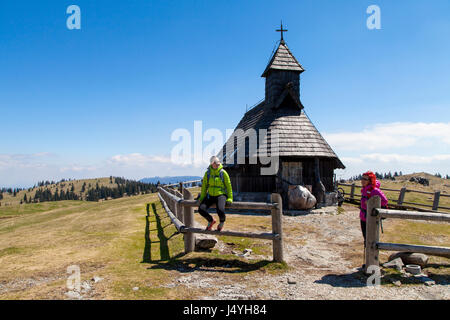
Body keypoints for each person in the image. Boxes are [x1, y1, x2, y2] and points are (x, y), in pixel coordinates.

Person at [197, 156, 233, 231]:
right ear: (211, 164)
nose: (218, 165)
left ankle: (222, 222)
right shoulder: (207, 173)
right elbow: (204, 187)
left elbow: (228, 186)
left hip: (221, 195)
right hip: (210, 196)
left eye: (218, 163)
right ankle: (211, 220)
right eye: (216, 163)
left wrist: (230, 198)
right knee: (201, 209)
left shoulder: (223, 173)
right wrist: (201, 198)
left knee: (220, 210)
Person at [360, 171, 388, 245]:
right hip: (363, 217)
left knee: (370, 239)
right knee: (366, 238)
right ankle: (368, 254)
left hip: (370, 218)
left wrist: (370, 203)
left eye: (365, 179)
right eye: (362, 178)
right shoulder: (365, 189)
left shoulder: (374, 190)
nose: (362, 180)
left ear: (370, 181)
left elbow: (385, 201)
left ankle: (371, 255)